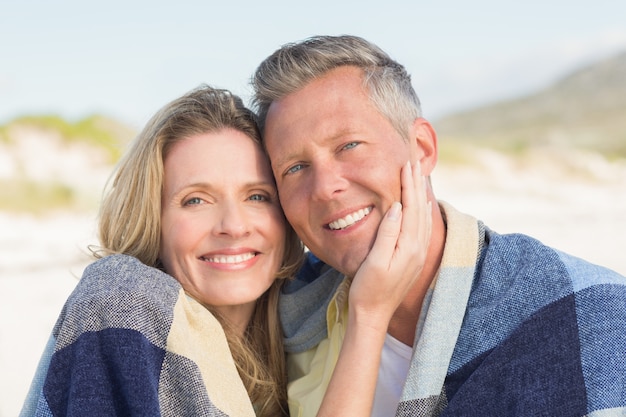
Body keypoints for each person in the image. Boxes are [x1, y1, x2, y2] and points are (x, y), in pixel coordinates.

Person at [251, 35, 626, 416]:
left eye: (349, 146)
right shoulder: (283, 312)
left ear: (423, 149)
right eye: (295, 168)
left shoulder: (590, 315)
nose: (325, 188)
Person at [20, 85, 432, 417]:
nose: (234, 226)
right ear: (152, 220)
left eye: (256, 196)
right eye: (196, 200)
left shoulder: (303, 335)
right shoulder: (124, 306)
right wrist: (369, 316)